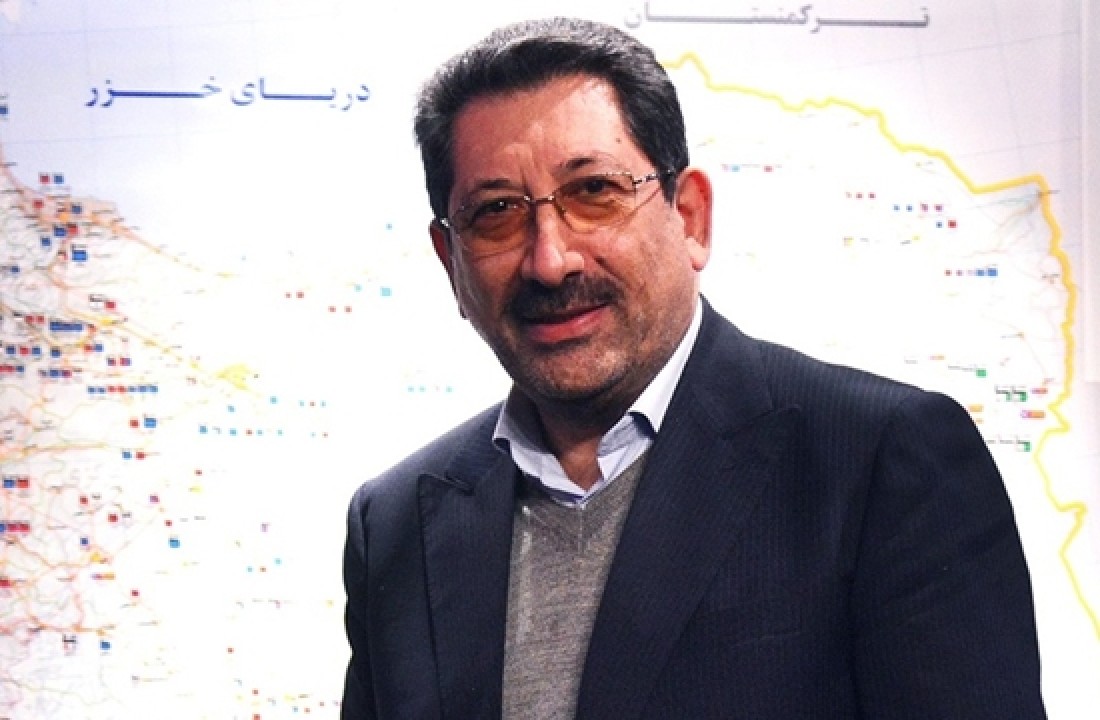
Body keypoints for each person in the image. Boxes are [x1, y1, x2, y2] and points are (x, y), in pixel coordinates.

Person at [340, 16, 1047, 720]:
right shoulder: (396, 524)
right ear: (451, 262)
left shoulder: (880, 463)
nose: (550, 260)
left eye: (594, 192)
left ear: (690, 217)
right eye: (497, 212)